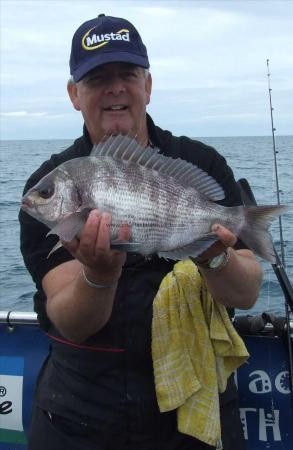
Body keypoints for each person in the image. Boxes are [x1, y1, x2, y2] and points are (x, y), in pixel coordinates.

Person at [19, 14, 263, 450]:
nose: (115, 87)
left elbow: (245, 295)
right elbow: (70, 321)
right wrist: (99, 274)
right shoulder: (50, 183)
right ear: (75, 94)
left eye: (126, 74)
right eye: (97, 78)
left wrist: (213, 254)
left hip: (194, 404)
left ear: (147, 86)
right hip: (81, 412)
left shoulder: (202, 164)